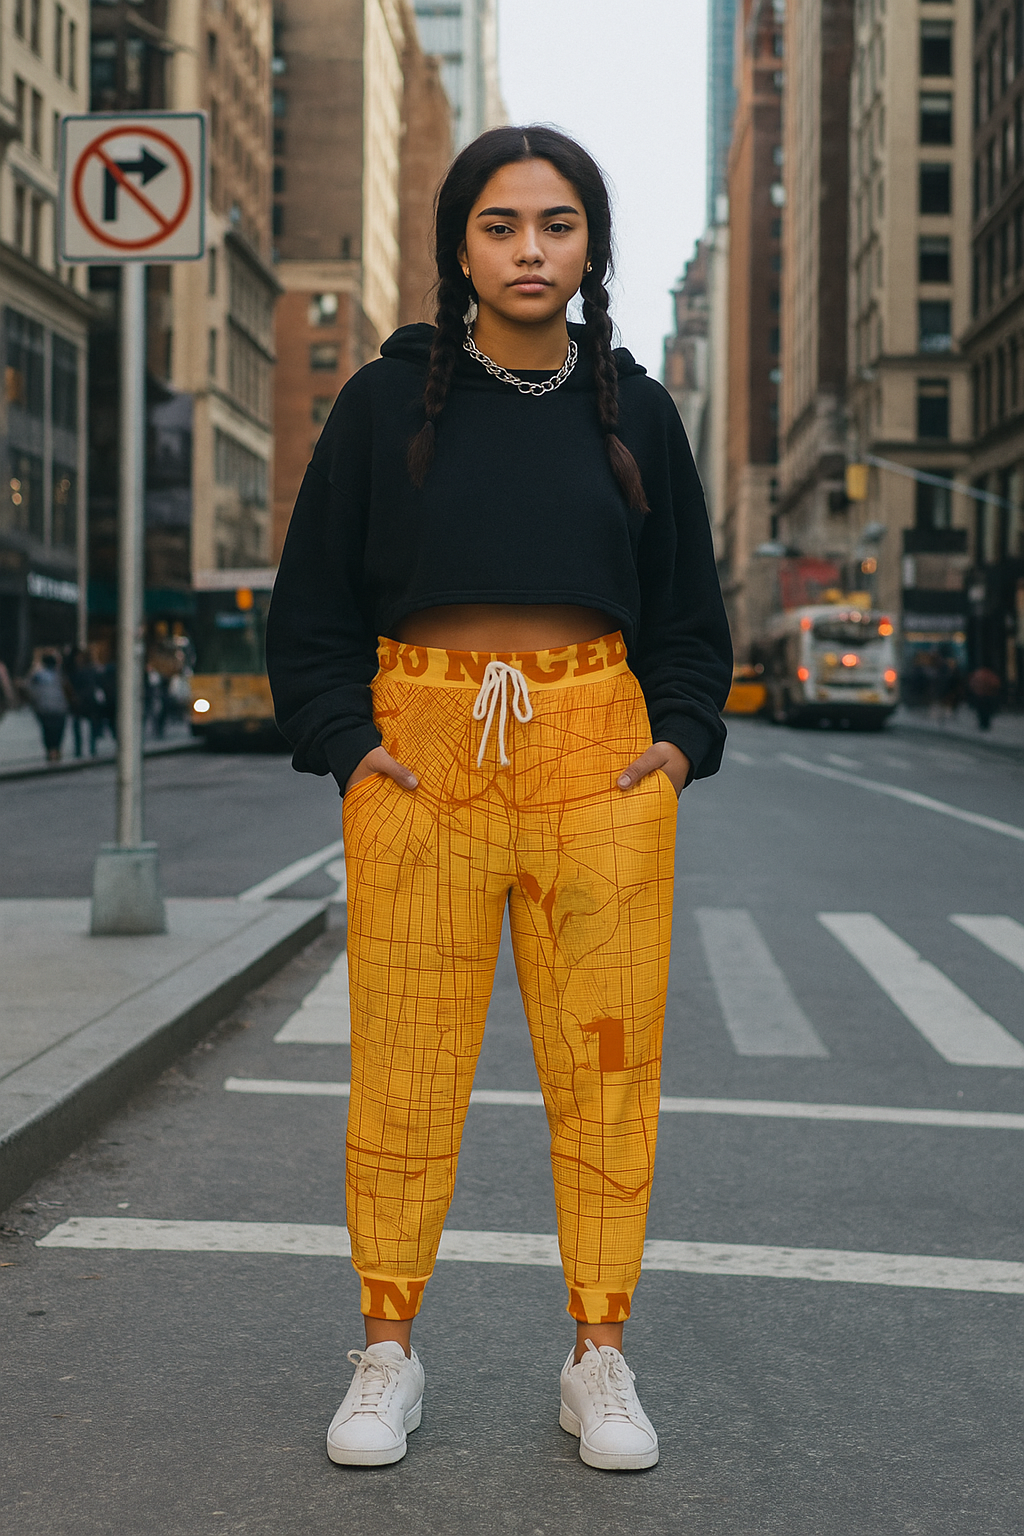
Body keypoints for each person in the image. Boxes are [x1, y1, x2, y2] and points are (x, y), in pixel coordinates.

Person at [267, 126, 732, 1473]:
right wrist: (352, 746)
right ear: (458, 247)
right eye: (500, 225)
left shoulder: (635, 407)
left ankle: (599, 1354)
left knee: (607, 1071)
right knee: (406, 1070)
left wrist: (679, 749)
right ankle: (388, 1353)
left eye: (557, 225)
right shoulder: (379, 402)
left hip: (601, 756)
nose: (530, 250)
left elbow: (691, 621)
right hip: (421, 755)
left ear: (591, 246)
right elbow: (309, 617)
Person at [25, 652, 70, 761]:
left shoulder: (37, 675)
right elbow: (66, 690)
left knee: (47, 730)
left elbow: (30, 689)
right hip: (59, 707)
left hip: (44, 708)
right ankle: (56, 750)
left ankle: (50, 751)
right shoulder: (59, 675)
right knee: (58, 730)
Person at [966, 664, 1001, 730]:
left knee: (981, 711)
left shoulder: (978, 674)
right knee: (986, 712)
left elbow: (972, 684)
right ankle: (986, 724)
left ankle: (982, 724)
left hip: (979, 696)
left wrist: (975, 691)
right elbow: (996, 684)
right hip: (988, 695)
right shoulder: (991, 675)